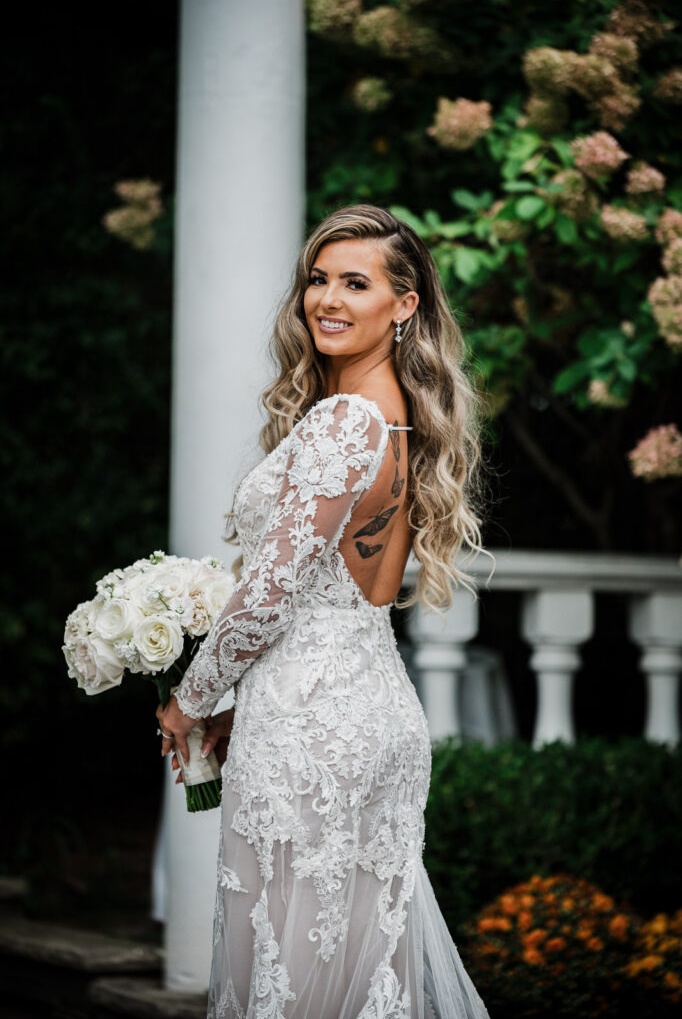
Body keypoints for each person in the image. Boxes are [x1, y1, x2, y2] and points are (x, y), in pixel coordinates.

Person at [157, 205, 493, 1018]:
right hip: (369, 705)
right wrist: (243, 697)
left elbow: (271, 589)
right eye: (318, 279)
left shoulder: (346, 419)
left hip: (311, 722)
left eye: (356, 282)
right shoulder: (398, 416)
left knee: (289, 979)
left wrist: (190, 700)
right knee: (357, 974)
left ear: (404, 305)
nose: (327, 299)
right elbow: (321, 588)